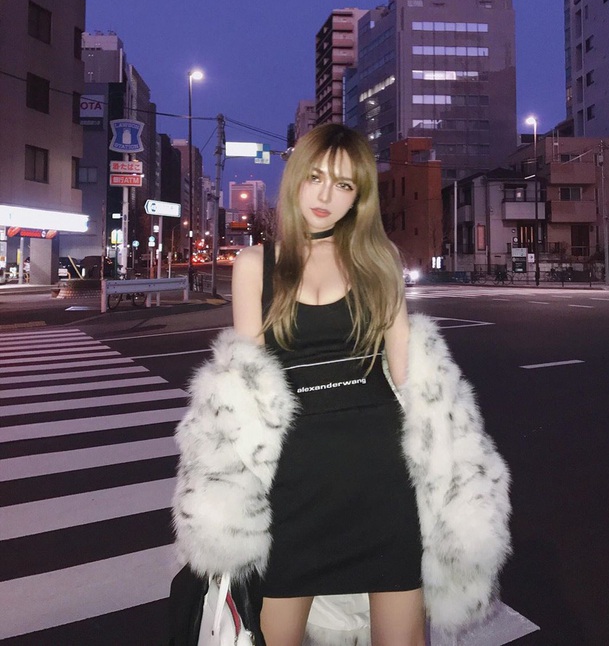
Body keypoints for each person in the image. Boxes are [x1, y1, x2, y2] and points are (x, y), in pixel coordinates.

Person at [172, 124, 511, 646]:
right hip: (295, 483)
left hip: (381, 477)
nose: (326, 195)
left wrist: (453, 475)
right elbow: (246, 392)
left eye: (344, 184)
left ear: (359, 197)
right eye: (315, 178)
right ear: (295, 179)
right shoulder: (255, 265)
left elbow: (410, 377)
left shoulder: (378, 261)